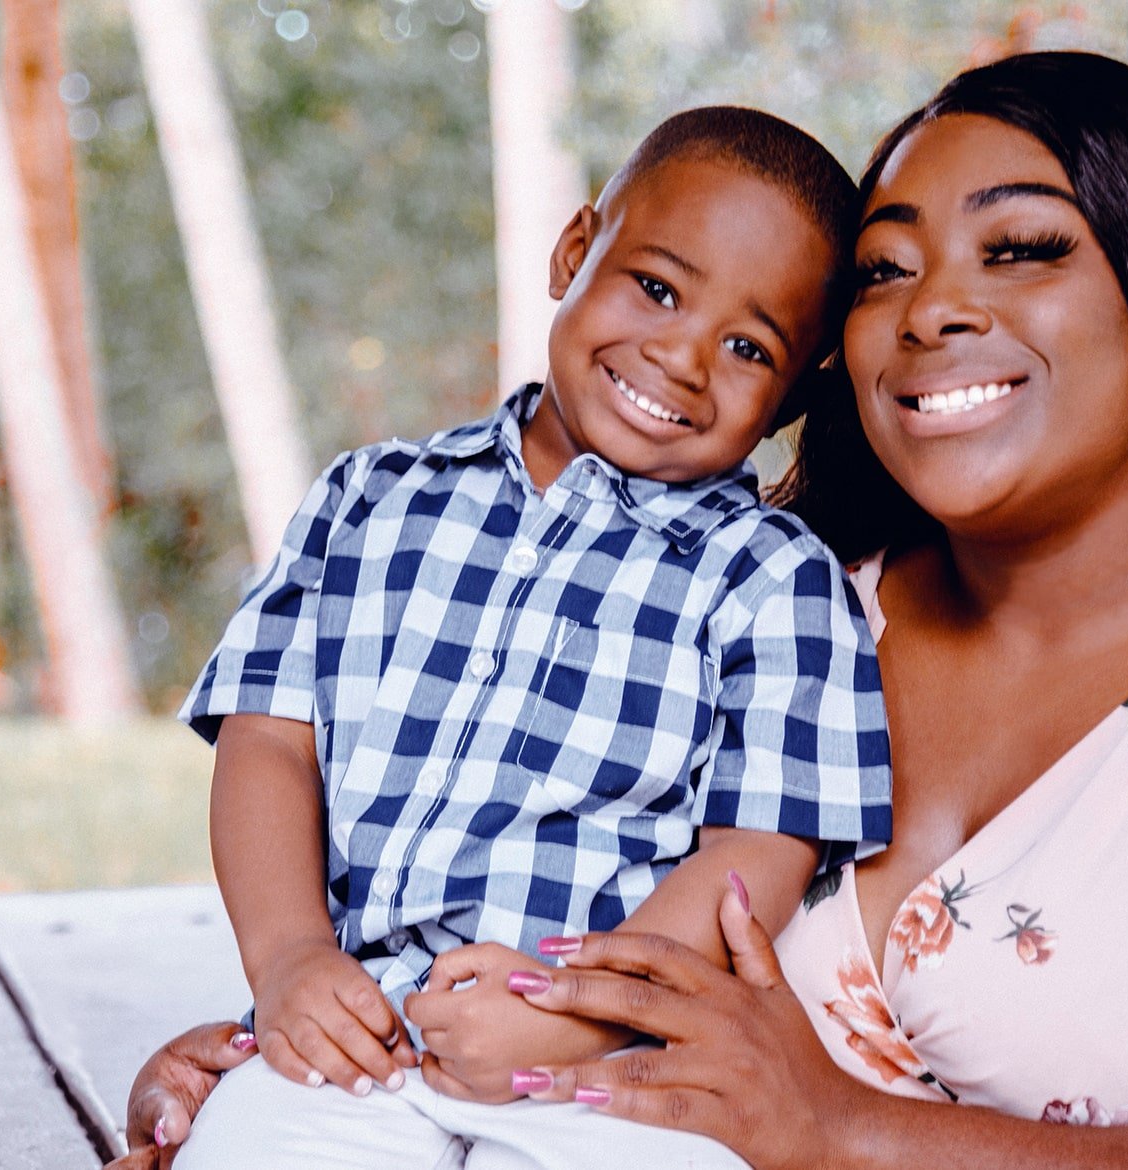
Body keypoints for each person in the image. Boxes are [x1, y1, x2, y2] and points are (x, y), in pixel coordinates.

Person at [114, 51, 1128, 1170]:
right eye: (886, 272)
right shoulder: (808, 599)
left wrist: (848, 1129)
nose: (932, 306)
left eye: (1020, 247)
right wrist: (302, 1044)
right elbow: (528, 885)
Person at [169, 106, 893, 1169]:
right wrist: (287, 961)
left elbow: (756, 850)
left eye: (747, 346)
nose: (682, 356)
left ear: (790, 397)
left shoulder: (773, 579)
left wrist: (583, 1010)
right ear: (572, 250)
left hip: (615, 1063)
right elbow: (271, 744)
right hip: (364, 1031)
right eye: (655, 286)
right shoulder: (369, 500)